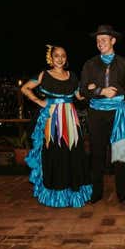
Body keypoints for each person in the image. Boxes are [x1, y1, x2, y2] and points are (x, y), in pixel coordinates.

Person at [21, 45, 92, 207]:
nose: (60, 59)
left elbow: (78, 96)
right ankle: (56, 194)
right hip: (52, 121)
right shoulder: (43, 75)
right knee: (54, 154)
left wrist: (89, 89)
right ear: (51, 58)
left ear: (66, 59)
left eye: (63, 56)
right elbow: (25, 88)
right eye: (57, 56)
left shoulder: (72, 76)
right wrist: (39, 101)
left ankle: (73, 193)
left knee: (73, 153)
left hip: (71, 121)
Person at [79, 25, 125, 204]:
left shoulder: (124, 64)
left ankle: (122, 193)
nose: (100, 43)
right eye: (97, 41)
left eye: (103, 40)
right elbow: (82, 90)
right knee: (97, 153)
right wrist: (100, 91)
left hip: (117, 113)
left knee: (120, 154)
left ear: (113, 41)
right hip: (96, 114)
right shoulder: (89, 64)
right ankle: (97, 193)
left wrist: (115, 96)